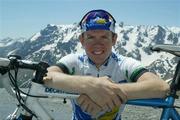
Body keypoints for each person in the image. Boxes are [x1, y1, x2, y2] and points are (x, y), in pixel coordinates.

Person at [43, 9, 170, 120]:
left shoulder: (124, 64)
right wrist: (90, 86)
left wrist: (104, 92)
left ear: (114, 39)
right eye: (91, 37)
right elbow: (44, 75)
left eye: (104, 37)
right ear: (82, 40)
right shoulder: (74, 61)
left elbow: (161, 88)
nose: (97, 44)